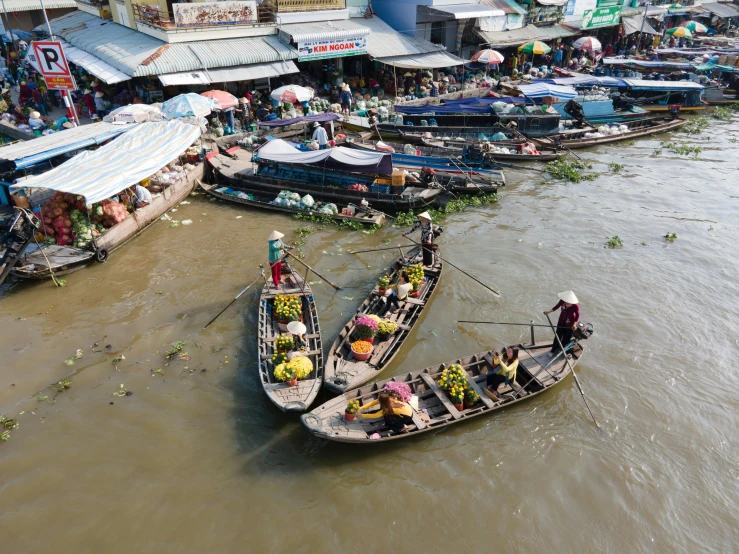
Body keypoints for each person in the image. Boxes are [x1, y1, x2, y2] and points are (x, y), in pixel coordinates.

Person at [544, 290, 580, 357]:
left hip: (569, 325)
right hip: (561, 322)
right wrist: (549, 311)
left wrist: (574, 324)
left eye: (569, 302)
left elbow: (577, 315)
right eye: (567, 302)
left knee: (566, 338)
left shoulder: (575, 306)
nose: (568, 303)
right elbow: (557, 306)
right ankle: (553, 350)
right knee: (557, 336)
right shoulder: (562, 301)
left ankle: (561, 349)